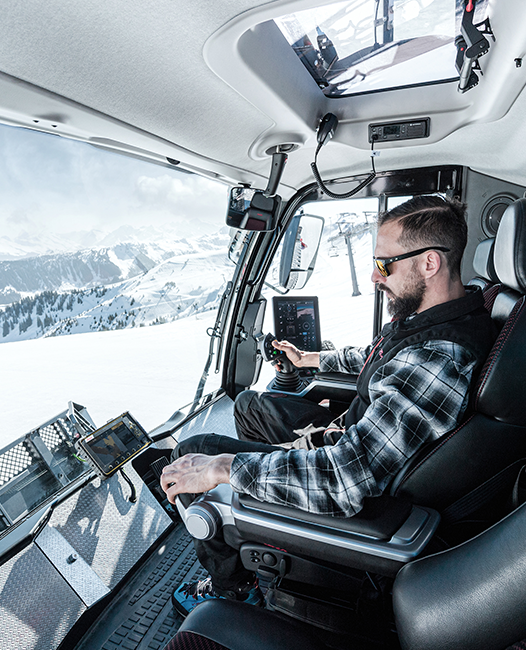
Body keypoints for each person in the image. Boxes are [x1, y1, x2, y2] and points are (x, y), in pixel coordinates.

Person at [160, 195, 497, 615]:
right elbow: (379, 357)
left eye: (383, 264)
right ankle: (260, 527)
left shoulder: (439, 357)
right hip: (346, 433)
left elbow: (344, 478)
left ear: (429, 263)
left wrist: (224, 467)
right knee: (249, 405)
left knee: (195, 453)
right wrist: (312, 360)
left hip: (348, 480)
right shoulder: (442, 316)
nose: (376, 278)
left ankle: (233, 586)